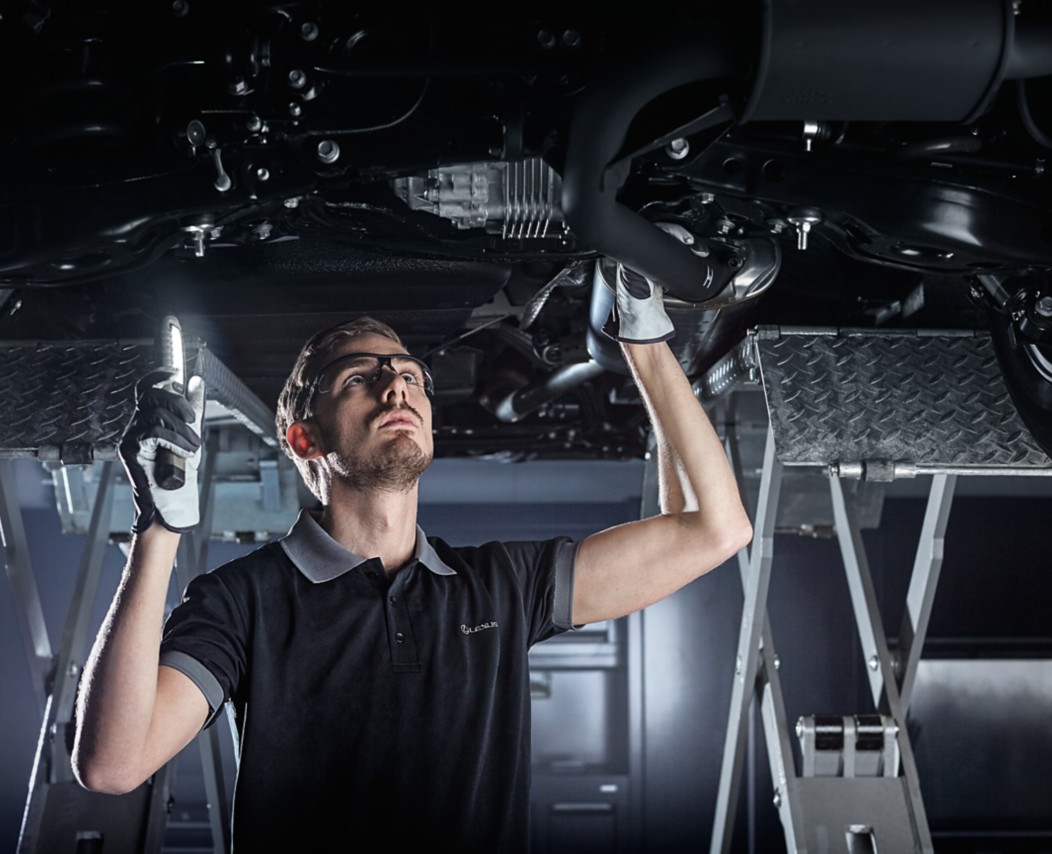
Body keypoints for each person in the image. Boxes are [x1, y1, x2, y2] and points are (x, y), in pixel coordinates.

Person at [71, 271, 752, 850]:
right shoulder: (241, 601)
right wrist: (158, 529)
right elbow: (113, 764)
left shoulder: (503, 587)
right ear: (304, 438)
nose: (396, 387)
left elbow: (712, 529)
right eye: (360, 379)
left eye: (408, 376)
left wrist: (646, 345)